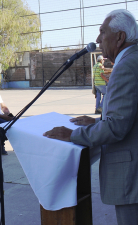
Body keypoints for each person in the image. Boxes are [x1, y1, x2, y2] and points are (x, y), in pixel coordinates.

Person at [43, 9, 138, 225]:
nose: (97, 40)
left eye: (102, 33)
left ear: (120, 37)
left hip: (131, 177)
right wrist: (98, 122)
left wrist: (74, 134)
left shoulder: (126, 67)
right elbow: (129, 118)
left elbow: (117, 128)